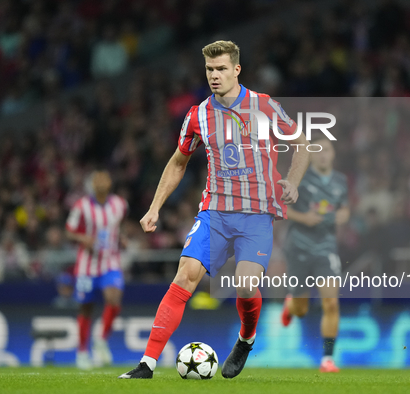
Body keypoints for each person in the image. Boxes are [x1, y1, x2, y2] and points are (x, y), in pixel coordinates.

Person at [119, 40, 309, 379]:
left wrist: (293, 181)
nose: (214, 75)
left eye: (221, 68)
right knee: (185, 276)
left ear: (237, 69)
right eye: (209, 69)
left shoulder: (264, 106)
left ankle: (246, 338)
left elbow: (302, 146)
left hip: (256, 213)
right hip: (215, 213)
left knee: (246, 285)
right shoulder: (198, 115)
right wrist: (154, 208)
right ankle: (146, 364)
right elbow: (178, 162)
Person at [280, 136, 349, 373]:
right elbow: (282, 208)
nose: (322, 154)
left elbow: (344, 207)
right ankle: (291, 306)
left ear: (333, 154)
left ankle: (327, 359)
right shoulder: (300, 178)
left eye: (326, 149)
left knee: (331, 302)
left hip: (326, 248)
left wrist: (344, 215)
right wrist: (304, 218)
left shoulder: (341, 181)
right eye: (317, 150)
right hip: (299, 246)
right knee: (302, 309)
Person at [66, 170, 128, 370]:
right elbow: (69, 231)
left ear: (110, 183)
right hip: (86, 266)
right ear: (92, 184)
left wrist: (121, 239)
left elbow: (118, 227)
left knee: (115, 298)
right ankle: (82, 351)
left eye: (105, 178)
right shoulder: (81, 206)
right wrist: (84, 238)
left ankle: (100, 338)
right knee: (86, 307)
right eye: (97, 179)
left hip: (110, 262)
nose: (101, 182)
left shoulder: (120, 204)